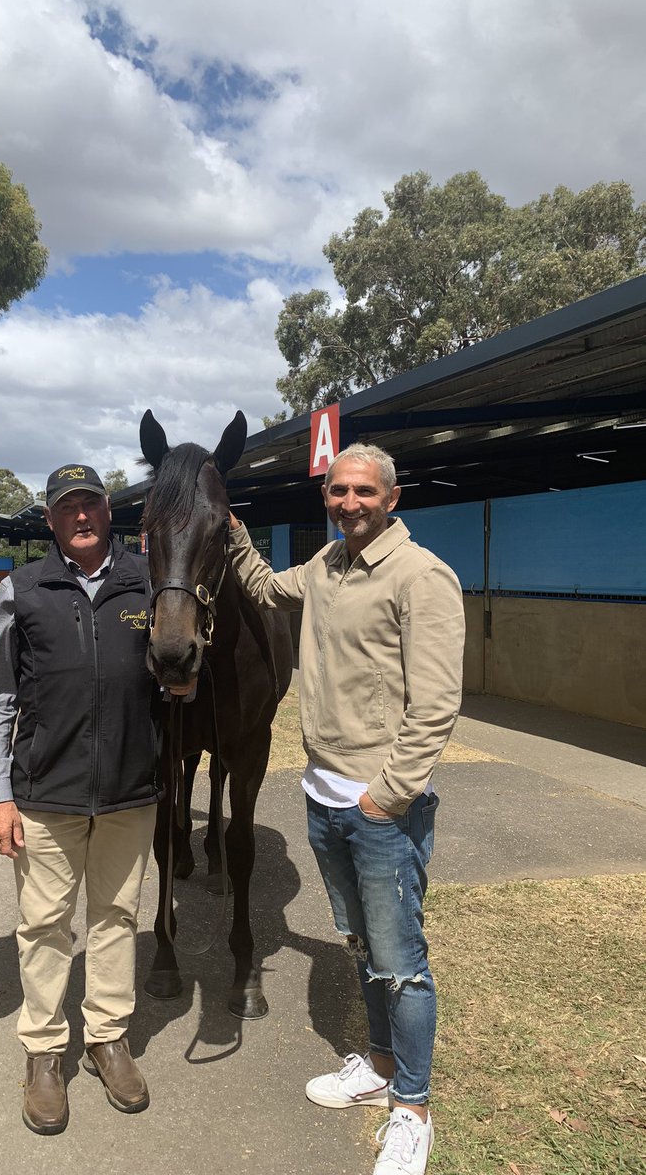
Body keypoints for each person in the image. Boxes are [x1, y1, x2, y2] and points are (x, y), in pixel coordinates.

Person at [228, 442, 465, 1175]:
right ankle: (380, 1068)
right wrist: (233, 534)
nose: (350, 503)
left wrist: (384, 797)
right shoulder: (325, 569)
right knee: (359, 946)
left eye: (364, 492)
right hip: (323, 796)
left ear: (391, 498)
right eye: (338, 492)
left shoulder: (422, 576)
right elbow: (267, 590)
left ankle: (413, 1109)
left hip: (379, 808)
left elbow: (436, 705)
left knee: (402, 964)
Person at [0, 463, 159, 1136]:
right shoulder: (19, 591)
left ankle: (108, 1039)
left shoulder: (147, 579)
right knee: (46, 927)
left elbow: (176, 667)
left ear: (109, 511)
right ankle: (45, 1054)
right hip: (44, 793)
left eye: (90, 504)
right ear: (49, 520)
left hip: (130, 790)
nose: (80, 516)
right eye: (66, 508)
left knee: (115, 916)